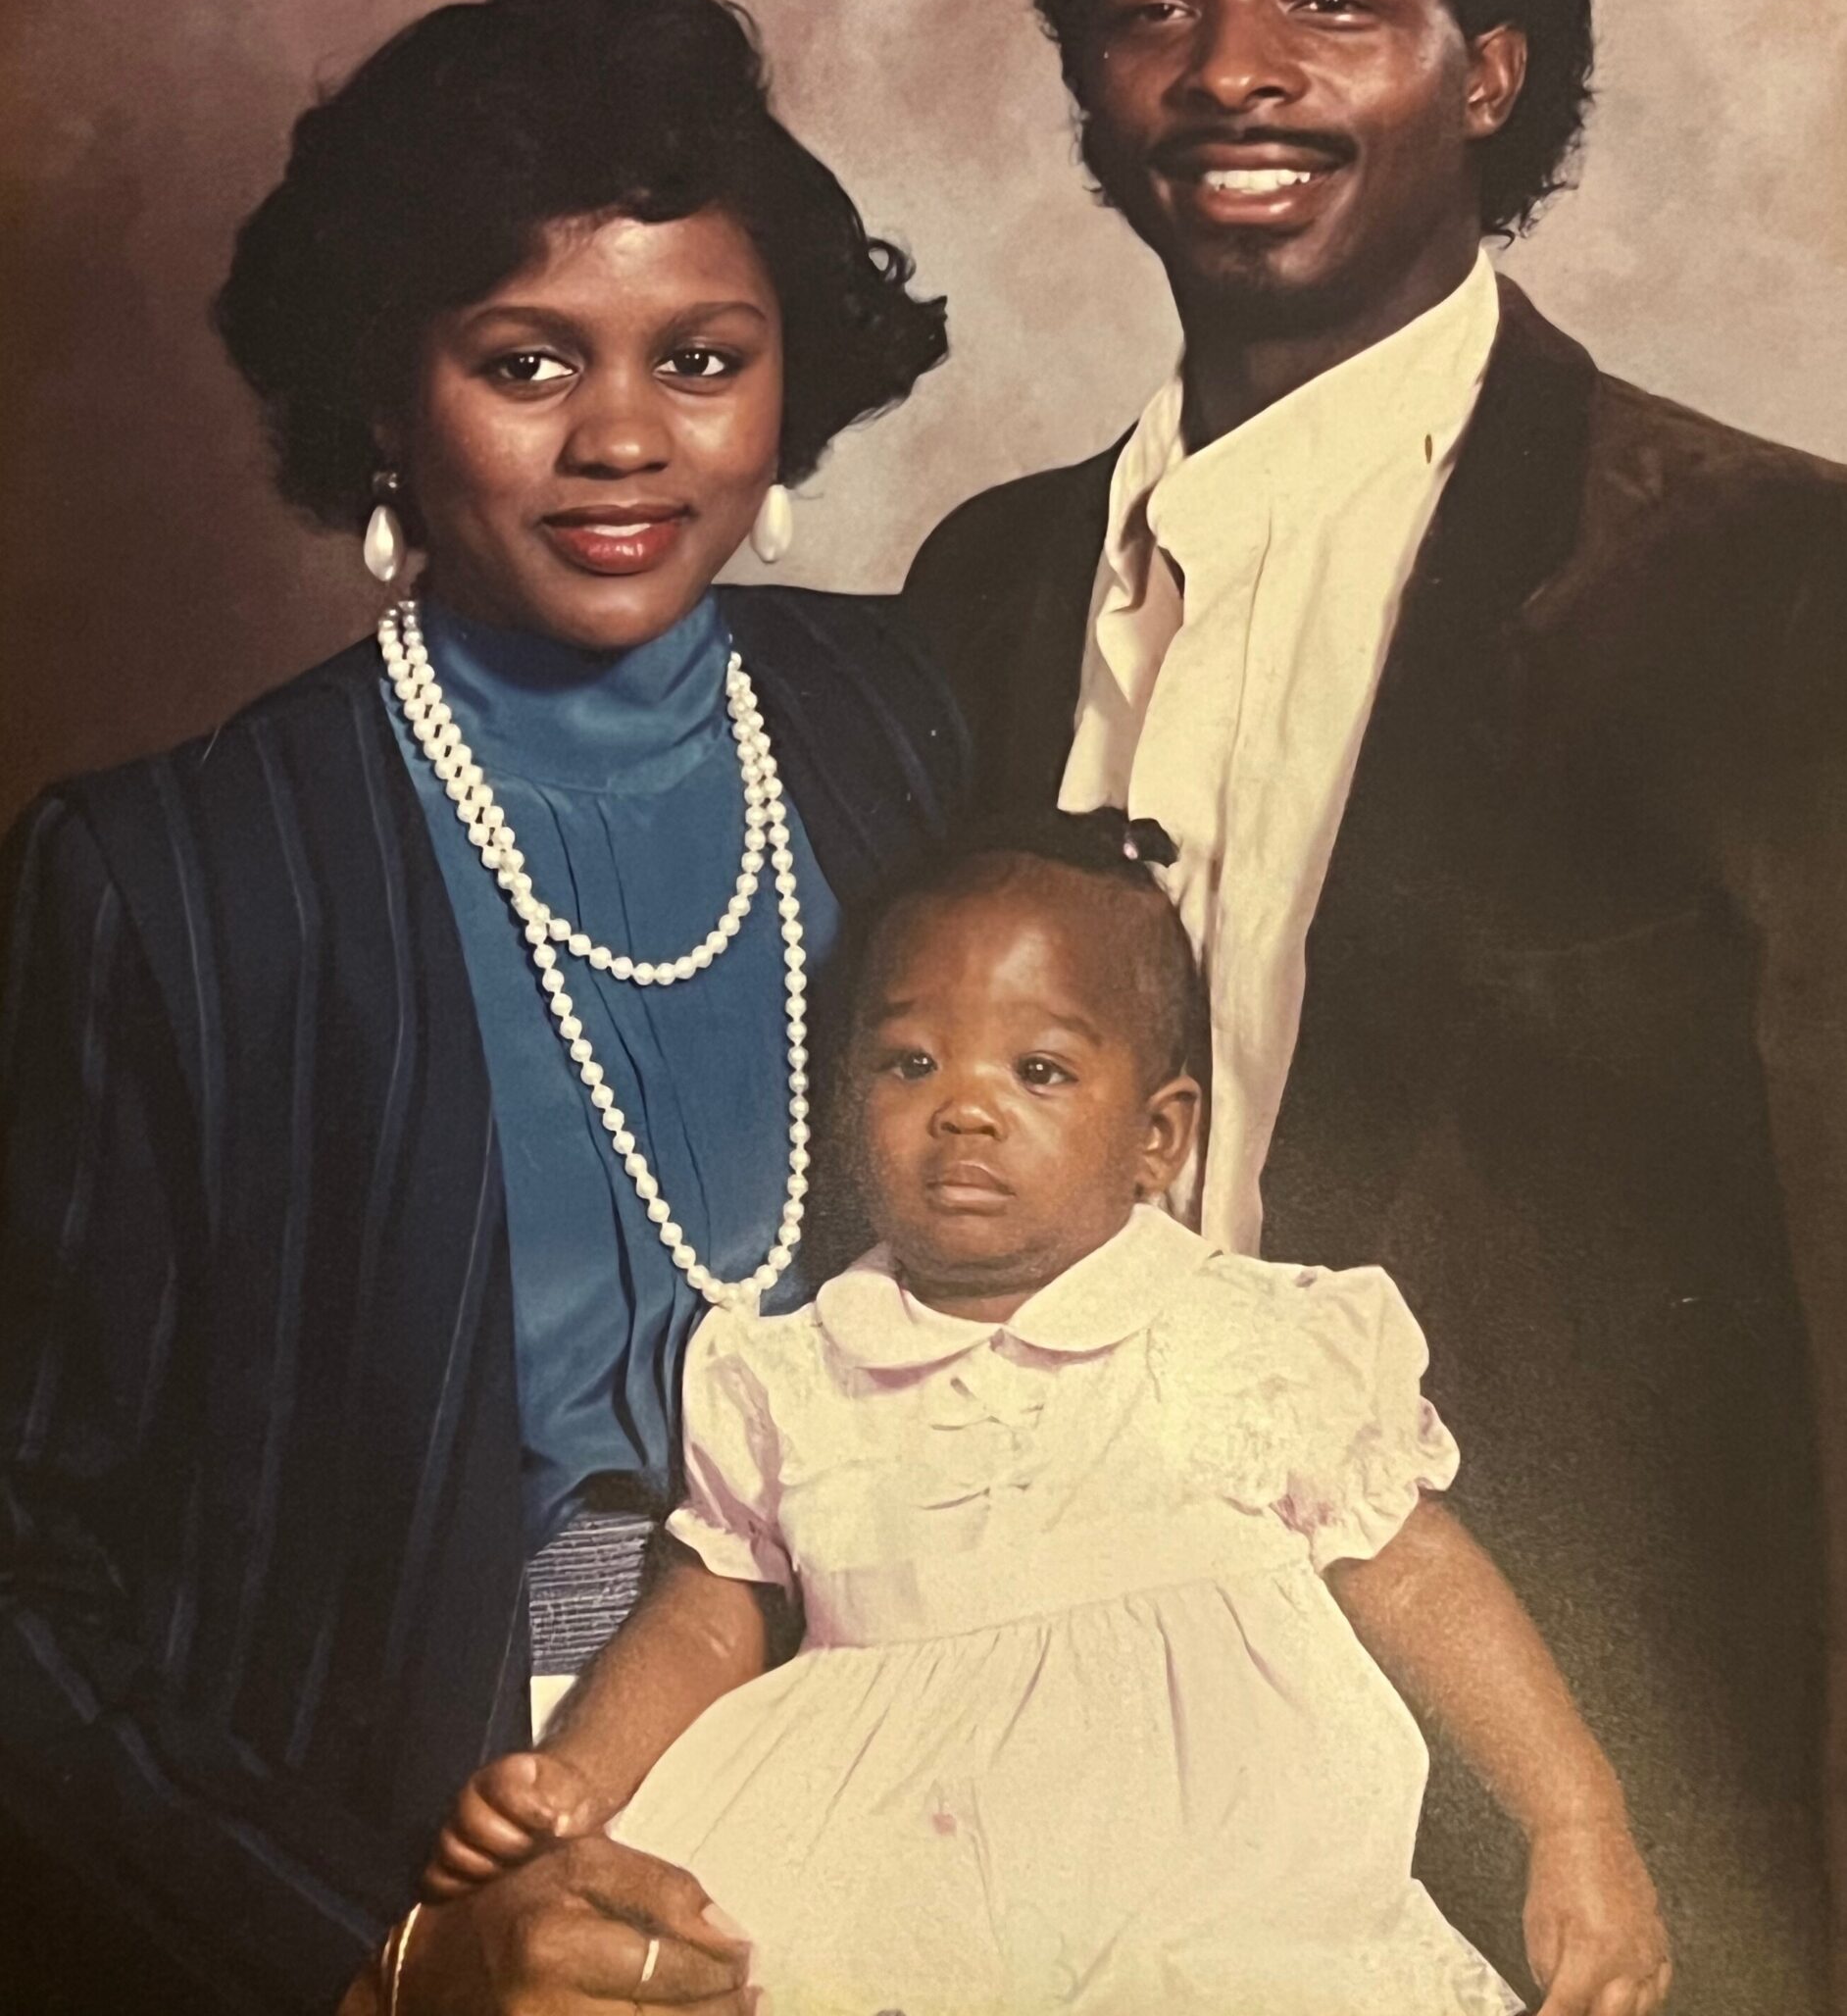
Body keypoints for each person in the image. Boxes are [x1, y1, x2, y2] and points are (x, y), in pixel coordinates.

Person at [902, 0, 1846, 2009]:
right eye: (1152, 6)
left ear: (1489, 60)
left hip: (1559, 1860)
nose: (1234, 67)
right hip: (1012, 1814)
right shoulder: (980, 587)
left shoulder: (1773, 582)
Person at [0, 0, 965, 2016]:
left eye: (700, 358)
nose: (622, 437)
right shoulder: (182, 879)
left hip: (941, 1781)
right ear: (383, 395)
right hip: (426, 1845)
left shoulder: (906, 720)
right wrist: (391, 1948)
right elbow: (22, 1577)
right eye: (526, 361)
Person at [420, 812, 1672, 2016]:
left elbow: (1418, 1574)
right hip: (887, 1893)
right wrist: (578, 1778)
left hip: (1215, 1904)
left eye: (1039, 1070)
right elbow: (708, 1615)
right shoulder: (797, 1372)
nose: (965, 1107)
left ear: (1158, 1136)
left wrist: (1577, 1816)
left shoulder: (1240, 1337)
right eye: (912, 1062)